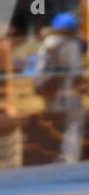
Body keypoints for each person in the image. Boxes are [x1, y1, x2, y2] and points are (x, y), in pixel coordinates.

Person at [33, 11, 86, 163]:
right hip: (68, 97)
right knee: (73, 128)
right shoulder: (71, 45)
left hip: (50, 96)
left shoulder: (45, 45)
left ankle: (55, 160)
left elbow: (38, 71)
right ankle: (70, 162)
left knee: (56, 129)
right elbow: (76, 71)